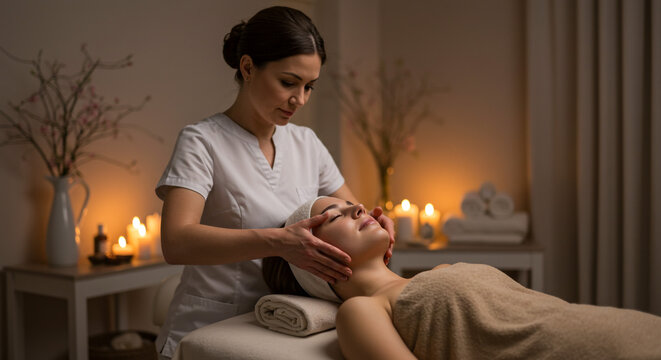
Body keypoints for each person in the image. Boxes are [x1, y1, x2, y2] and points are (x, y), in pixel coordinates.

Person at [154, 6, 395, 358]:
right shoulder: (202, 141)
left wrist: (377, 221)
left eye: (309, 86)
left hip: (286, 325)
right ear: (248, 68)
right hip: (208, 327)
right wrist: (279, 242)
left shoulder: (306, 143)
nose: (299, 99)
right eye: (288, 83)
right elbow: (176, 242)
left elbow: (352, 209)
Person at [263, 196, 661, 360]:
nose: (358, 209)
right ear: (310, 258)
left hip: (625, 330)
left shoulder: (435, 272)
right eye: (336, 216)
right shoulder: (362, 311)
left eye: (354, 205)